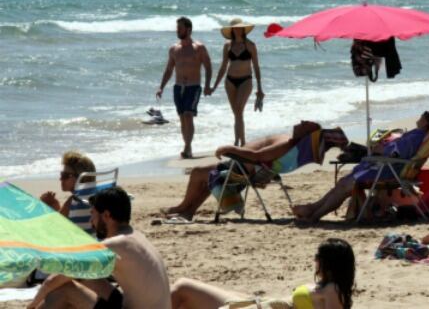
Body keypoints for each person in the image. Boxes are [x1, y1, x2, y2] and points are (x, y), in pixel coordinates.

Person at [28, 187, 171, 309]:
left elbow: (52, 281)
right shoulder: (136, 237)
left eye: (93, 214)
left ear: (106, 215)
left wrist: (33, 304)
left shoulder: (114, 245)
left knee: (65, 289)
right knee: (82, 277)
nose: (91, 221)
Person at [292, 110, 429, 223]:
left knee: (345, 185)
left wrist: (379, 149)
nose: (420, 115)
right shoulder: (419, 136)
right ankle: (312, 209)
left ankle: (314, 215)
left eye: (424, 114)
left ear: (426, 121)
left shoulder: (417, 136)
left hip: (388, 171)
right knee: (343, 183)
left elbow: (395, 153)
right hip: (390, 169)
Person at [162, 120, 322, 220]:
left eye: (305, 124)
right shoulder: (291, 144)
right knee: (205, 174)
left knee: (198, 172)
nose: (301, 121)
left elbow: (257, 155)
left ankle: (183, 207)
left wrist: (230, 148)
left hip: (241, 168)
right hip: (245, 166)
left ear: (306, 134)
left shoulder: (286, 145)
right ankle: (188, 211)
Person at [170, 238, 355, 309]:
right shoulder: (327, 287)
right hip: (261, 303)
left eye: (318, 256)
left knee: (183, 289)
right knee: (183, 288)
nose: (314, 260)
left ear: (329, 263)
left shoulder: (333, 289)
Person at [157, 16, 213, 159]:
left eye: (180, 27)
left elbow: (208, 67)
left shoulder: (199, 48)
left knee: (189, 115)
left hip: (193, 87)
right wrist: (161, 87)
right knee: (182, 117)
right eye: (177, 27)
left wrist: (207, 85)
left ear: (188, 29)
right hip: (178, 87)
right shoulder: (174, 49)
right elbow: (169, 70)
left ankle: (187, 147)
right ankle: (187, 146)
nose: (177, 30)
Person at [212, 18, 264, 146]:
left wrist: (260, 88)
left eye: (240, 28)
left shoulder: (250, 45)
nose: (238, 30)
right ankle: (239, 141)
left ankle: (241, 142)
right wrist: (214, 86)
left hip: (245, 80)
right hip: (230, 81)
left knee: (239, 109)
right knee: (236, 112)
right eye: (235, 28)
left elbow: (256, 67)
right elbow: (223, 66)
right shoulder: (227, 45)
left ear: (243, 29)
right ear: (232, 30)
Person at [40, 150, 96, 218]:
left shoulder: (74, 201)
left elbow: (56, 224)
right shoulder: (96, 197)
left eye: (65, 175)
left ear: (79, 177)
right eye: (61, 174)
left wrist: (46, 207)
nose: (60, 179)